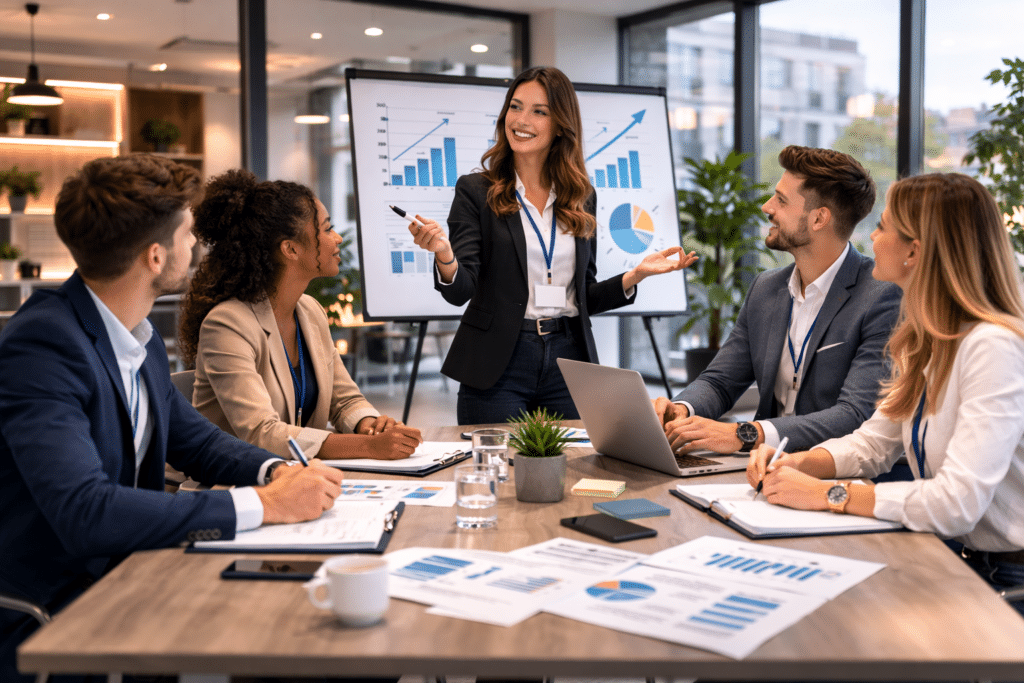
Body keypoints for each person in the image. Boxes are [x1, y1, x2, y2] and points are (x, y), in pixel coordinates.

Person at [0, 155, 344, 682]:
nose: (198, 247)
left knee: (307, 627)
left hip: (133, 576)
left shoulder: (136, 339)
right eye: (188, 234)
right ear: (156, 256)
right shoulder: (44, 345)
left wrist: (274, 473)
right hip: (56, 613)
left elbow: (198, 443)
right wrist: (261, 504)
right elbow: (86, 510)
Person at [747, 173, 1024, 612]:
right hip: (954, 556)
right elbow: (874, 444)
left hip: (1007, 578)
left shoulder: (992, 347)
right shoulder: (928, 339)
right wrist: (796, 462)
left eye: (883, 227)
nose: (871, 238)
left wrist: (827, 495)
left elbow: (957, 503)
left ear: (914, 251)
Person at [408, 65, 697, 425]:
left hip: (568, 358)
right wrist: (444, 255)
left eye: (538, 111)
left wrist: (635, 275)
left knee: (574, 471)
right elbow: (460, 290)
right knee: (500, 473)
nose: (521, 119)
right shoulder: (475, 191)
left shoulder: (581, 195)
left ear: (561, 124)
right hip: (499, 361)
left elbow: (584, 296)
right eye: (515, 107)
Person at [654, 145, 902, 456]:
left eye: (781, 200)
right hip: (760, 468)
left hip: (830, 475)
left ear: (818, 219)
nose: (766, 207)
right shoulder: (766, 288)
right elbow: (720, 381)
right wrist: (683, 409)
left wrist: (747, 433)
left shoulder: (881, 296)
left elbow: (854, 414)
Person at [179, 169, 423, 461]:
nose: (337, 240)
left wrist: (370, 426)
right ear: (291, 249)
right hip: (230, 489)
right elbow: (261, 433)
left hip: (297, 479)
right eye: (327, 229)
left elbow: (345, 401)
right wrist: (369, 447)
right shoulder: (228, 324)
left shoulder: (310, 311)